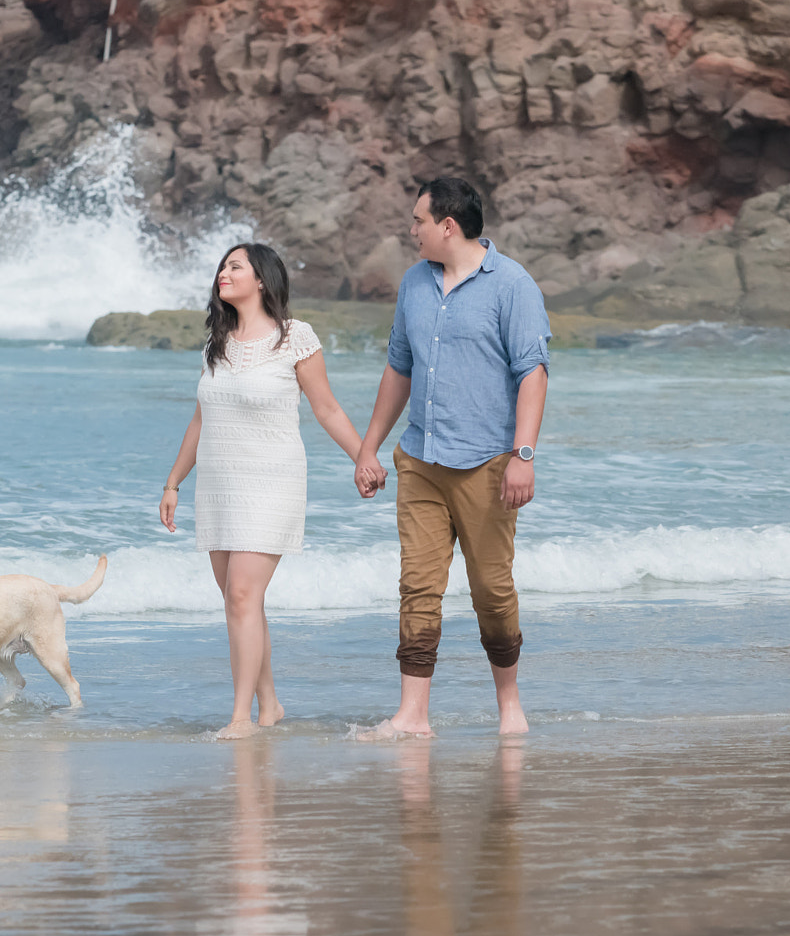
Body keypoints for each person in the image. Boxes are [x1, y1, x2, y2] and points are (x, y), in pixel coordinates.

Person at [352, 177, 550, 739]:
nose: (409, 230)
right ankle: (413, 716)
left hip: (490, 462)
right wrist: (369, 447)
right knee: (417, 587)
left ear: (447, 226)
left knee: (492, 589)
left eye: (417, 221)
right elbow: (398, 368)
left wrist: (524, 455)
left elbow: (532, 374)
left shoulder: (512, 285)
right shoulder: (414, 283)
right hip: (420, 460)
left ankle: (510, 707)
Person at [159, 243, 367, 740]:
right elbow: (200, 419)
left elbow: (328, 409)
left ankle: (240, 718)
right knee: (239, 603)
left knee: (242, 594)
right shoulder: (219, 340)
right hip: (219, 485)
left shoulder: (295, 337)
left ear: (262, 279)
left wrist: (365, 456)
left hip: (272, 481)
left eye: (235, 266)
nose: (223, 274)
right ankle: (269, 704)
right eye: (222, 267)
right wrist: (173, 482)